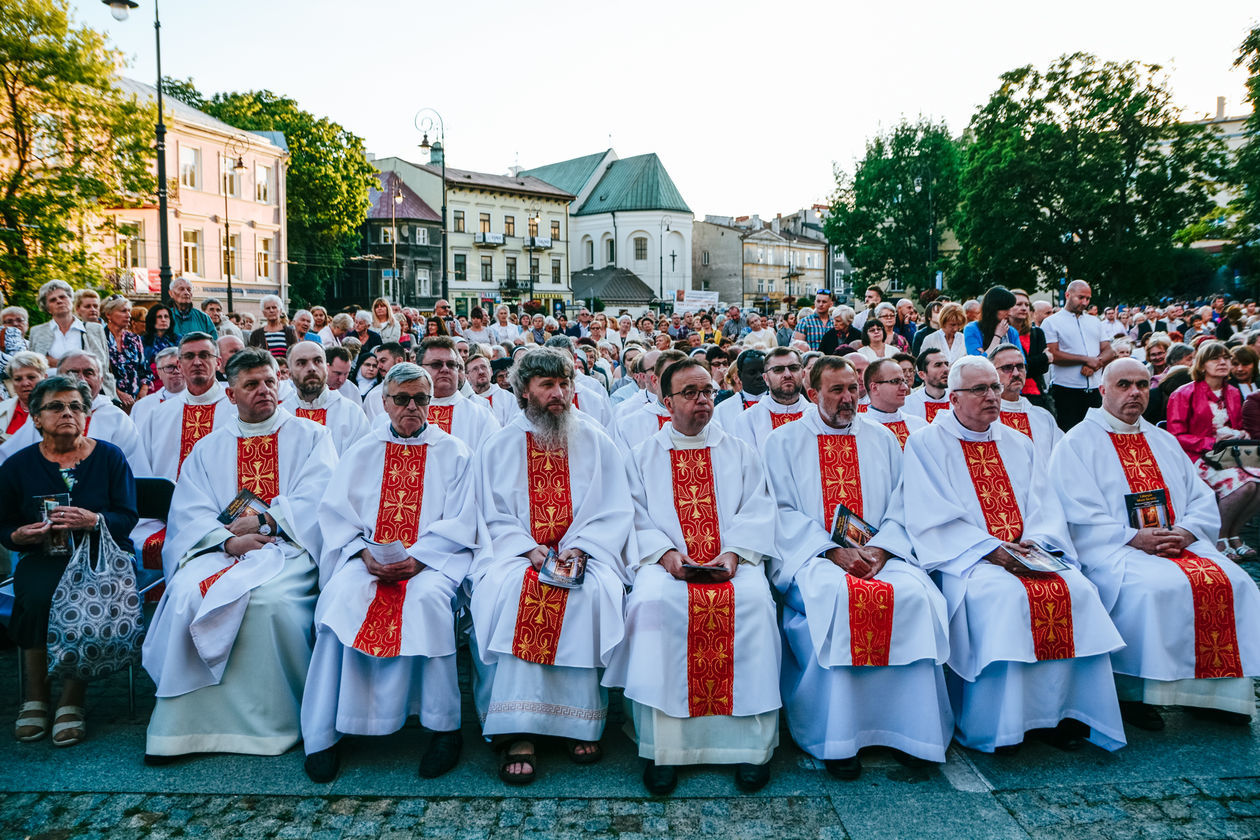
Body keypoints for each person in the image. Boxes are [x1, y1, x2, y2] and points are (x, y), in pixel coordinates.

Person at [897, 356, 1126, 753]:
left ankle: (1059, 714)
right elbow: (929, 515)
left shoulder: (1019, 443)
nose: (992, 396)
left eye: (994, 388)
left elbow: (1045, 506)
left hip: (1027, 553)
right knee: (1004, 599)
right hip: (968, 561)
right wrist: (994, 551)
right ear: (953, 398)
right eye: (980, 389)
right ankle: (1001, 726)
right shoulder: (926, 444)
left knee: (1077, 591)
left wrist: (1036, 544)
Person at [142, 348, 336, 763]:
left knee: (270, 603)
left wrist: (267, 523)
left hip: (288, 547)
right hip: (221, 549)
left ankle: (275, 722)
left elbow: (321, 499)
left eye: (269, 381)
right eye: (251, 384)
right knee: (185, 595)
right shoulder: (209, 448)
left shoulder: (311, 436)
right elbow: (189, 512)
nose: (263, 390)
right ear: (231, 395)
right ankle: (182, 729)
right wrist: (228, 542)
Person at [764, 356, 951, 778]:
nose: (848, 398)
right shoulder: (783, 442)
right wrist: (832, 552)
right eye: (836, 390)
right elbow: (780, 512)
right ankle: (838, 738)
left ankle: (911, 732)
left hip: (882, 553)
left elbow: (905, 503)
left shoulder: (883, 438)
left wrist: (883, 550)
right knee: (836, 597)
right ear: (813, 395)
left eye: (853, 388)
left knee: (916, 596)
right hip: (816, 557)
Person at [1051, 358, 1260, 733]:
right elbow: (1076, 510)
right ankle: (1134, 695)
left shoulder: (1163, 440)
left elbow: (1200, 497)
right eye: (1124, 385)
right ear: (1103, 390)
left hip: (1176, 541)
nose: (1135, 393)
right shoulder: (1077, 443)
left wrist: (1187, 532)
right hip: (1115, 548)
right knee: (1153, 589)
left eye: (1143, 385)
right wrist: (1133, 536)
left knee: (1234, 581)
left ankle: (1217, 697)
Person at [301, 362, 481, 782]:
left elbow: (463, 520)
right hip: (367, 560)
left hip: (431, 562)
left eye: (421, 398)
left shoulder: (454, 452)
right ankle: (325, 731)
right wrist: (363, 553)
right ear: (384, 403)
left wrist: (420, 558)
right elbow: (336, 514)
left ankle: (443, 728)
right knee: (340, 602)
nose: (412, 407)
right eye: (402, 399)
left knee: (428, 602)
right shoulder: (363, 450)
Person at [609, 356, 780, 795]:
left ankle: (749, 749)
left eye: (707, 391)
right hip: (664, 566)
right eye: (690, 393)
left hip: (731, 564)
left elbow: (759, 508)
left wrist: (734, 553)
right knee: (651, 604)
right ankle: (664, 750)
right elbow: (631, 516)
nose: (703, 400)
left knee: (755, 604)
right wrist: (665, 554)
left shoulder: (739, 450)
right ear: (667, 402)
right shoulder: (640, 456)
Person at [468, 347, 633, 785]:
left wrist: (582, 547)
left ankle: (577, 722)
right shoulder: (499, 445)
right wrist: (527, 548)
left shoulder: (595, 439)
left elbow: (614, 508)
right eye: (548, 386)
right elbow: (488, 514)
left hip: (583, 554)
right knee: (514, 592)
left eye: (564, 384)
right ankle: (517, 731)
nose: (559, 394)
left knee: (592, 592)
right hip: (515, 555)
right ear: (524, 391)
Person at [1, 375, 138, 747]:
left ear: (87, 414)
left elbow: (128, 515)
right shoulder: (17, 466)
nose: (67, 413)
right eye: (56, 407)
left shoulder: (109, 457)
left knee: (80, 597)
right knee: (35, 597)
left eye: (76, 406)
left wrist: (94, 520)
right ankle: (35, 695)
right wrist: (18, 536)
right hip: (44, 554)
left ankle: (71, 699)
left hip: (101, 557)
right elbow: (4, 523)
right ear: (36, 417)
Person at [1165, 341, 1260, 559]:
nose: (1222, 362)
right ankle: (1219, 537)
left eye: (1226, 358)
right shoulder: (1184, 393)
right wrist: (1211, 442)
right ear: (1201, 364)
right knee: (1244, 486)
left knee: (1258, 482)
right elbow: (1175, 436)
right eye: (1215, 358)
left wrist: (1241, 434)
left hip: (1229, 453)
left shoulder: (1234, 392)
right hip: (1196, 456)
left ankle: (1234, 535)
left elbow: (1236, 426)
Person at [0, 351, 150, 475]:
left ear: (101, 379)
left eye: (89, 372)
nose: (81, 379)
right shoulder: (44, 415)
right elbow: (9, 458)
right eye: (72, 372)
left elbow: (134, 470)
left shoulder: (117, 419)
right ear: (58, 376)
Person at [137, 333, 236, 482]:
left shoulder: (237, 409)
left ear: (218, 363)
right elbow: (142, 466)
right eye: (189, 356)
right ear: (179, 365)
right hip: (170, 502)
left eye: (204, 355)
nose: (197, 362)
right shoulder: (159, 414)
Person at [1043, 280, 1113, 431]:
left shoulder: (1095, 321)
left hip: (1094, 388)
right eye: (1080, 297)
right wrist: (1086, 360)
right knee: (1068, 432)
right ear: (1068, 295)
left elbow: (1109, 350)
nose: (1085, 302)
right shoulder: (1051, 322)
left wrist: (1096, 364)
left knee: (1097, 433)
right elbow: (1053, 354)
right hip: (1066, 389)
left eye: (1088, 299)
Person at [28, 280, 114, 398]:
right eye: (53, 300)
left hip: (89, 393)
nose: (59, 301)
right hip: (50, 393)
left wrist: (55, 362)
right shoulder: (37, 332)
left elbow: (100, 364)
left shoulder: (94, 329)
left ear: (71, 300)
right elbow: (34, 367)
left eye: (63, 297)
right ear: (48, 308)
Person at [283, 341, 369, 456]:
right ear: (289, 373)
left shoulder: (352, 414)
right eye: (301, 363)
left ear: (326, 367)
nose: (312, 368)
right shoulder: (282, 415)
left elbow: (361, 462)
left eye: (318, 361)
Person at [990, 344, 1061, 465]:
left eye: (1020, 366)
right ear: (992, 373)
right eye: (1007, 368)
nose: (1016, 373)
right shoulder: (985, 418)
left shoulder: (1042, 416)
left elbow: (1060, 459)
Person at [729, 347, 810, 449]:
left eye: (793, 368)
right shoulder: (747, 420)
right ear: (765, 378)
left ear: (803, 374)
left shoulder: (817, 415)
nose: (787, 374)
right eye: (778, 370)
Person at [614, 350, 683, 453]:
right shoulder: (624, 412)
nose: (664, 373)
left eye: (670, 368)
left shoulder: (692, 407)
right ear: (642, 377)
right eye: (655, 368)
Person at [101, 294, 152, 411]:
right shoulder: (100, 338)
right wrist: (118, 393)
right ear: (109, 314)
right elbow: (98, 373)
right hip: (109, 401)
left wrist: (143, 392)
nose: (128, 315)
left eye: (129, 311)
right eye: (123, 311)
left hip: (135, 402)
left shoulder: (134, 339)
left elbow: (144, 369)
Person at [862, 359, 928, 449]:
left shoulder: (919, 425)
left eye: (904, 381)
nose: (905, 387)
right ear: (874, 387)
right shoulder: (860, 428)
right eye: (895, 381)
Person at [1009, 289, 1052, 413]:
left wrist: (1030, 364)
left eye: (1027, 305)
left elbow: (1043, 369)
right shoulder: (1003, 334)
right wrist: (1043, 358)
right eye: (1018, 304)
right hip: (1010, 393)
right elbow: (1007, 368)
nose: (1024, 308)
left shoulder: (1037, 333)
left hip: (1036, 393)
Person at [130, 347, 185, 431]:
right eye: (169, 367)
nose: (176, 371)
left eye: (180, 366)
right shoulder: (142, 405)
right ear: (159, 373)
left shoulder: (200, 402)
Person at [0, 352, 47, 444]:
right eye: (18, 379)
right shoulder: (2, 408)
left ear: (45, 378)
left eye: (31, 377)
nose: (25, 383)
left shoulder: (57, 410)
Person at [712, 349, 767, 429]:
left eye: (763, 371)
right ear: (740, 375)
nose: (759, 376)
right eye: (752, 372)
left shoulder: (782, 404)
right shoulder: (722, 410)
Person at [963, 287, 1021, 358]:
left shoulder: (1011, 332)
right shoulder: (972, 329)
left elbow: (1022, 361)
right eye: (1005, 309)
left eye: (1010, 308)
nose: (1009, 313)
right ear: (993, 308)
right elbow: (978, 361)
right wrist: (997, 336)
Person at [466, 351, 518, 427]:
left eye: (483, 367)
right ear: (467, 377)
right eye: (475, 369)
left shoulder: (508, 398)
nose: (481, 372)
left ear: (491, 371)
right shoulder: (467, 402)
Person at [247, 295, 298, 360]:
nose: (271, 310)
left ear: (280, 311)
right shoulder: (256, 335)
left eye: (274, 307)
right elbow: (253, 357)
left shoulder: (290, 332)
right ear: (264, 313)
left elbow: (296, 354)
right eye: (268, 308)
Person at [142, 304, 178, 375]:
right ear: (152, 319)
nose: (163, 320)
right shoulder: (142, 341)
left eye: (166, 317)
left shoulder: (178, 340)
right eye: (159, 317)